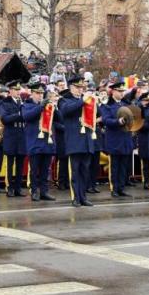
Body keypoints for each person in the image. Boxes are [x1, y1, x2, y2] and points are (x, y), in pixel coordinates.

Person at [58, 75, 95, 206]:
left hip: (86, 140)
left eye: (82, 87)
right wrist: (83, 100)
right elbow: (66, 111)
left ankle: (83, 196)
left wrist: (94, 101)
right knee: (74, 171)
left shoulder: (85, 100)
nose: (80, 90)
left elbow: (98, 113)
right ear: (71, 87)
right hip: (74, 141)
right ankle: (76, 197)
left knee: (85, 171)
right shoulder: (64, 100)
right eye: (78, 87)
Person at [21, 82, 56, 202]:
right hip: (34, 142)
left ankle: (44, 191)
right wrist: (40, 106)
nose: (40, 95)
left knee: (46, 169)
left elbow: (59, 119)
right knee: (35, 169)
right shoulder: (27, 105)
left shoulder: (47, 105)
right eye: (37, 93)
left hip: (47, 141)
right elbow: (27, 117)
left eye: (42, 93)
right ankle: (35, 191)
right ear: (32, 93)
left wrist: (54, 108)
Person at [99, 81, 134, 198]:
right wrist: (117, 122)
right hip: (114, 139)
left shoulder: (125, 103)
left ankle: (121, 188)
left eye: (122, 91)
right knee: (115, 166)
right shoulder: (106, 105)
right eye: (119, 91)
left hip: (125, 138)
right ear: (113, 91)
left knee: (124, 166)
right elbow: (106, 120)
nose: (121, 93)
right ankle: (114, 188)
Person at [0, 82, 27, 197]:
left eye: (18, 90)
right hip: (11, 135)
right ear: (10, 91)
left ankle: (18, 188)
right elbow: (4, 119)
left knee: (20, 164)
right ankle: (9, 187)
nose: (17, 92)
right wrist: (18, 115)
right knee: (10, 164)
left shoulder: (22, 102)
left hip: (21, 134)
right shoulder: (5, 103)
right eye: (15, 90)